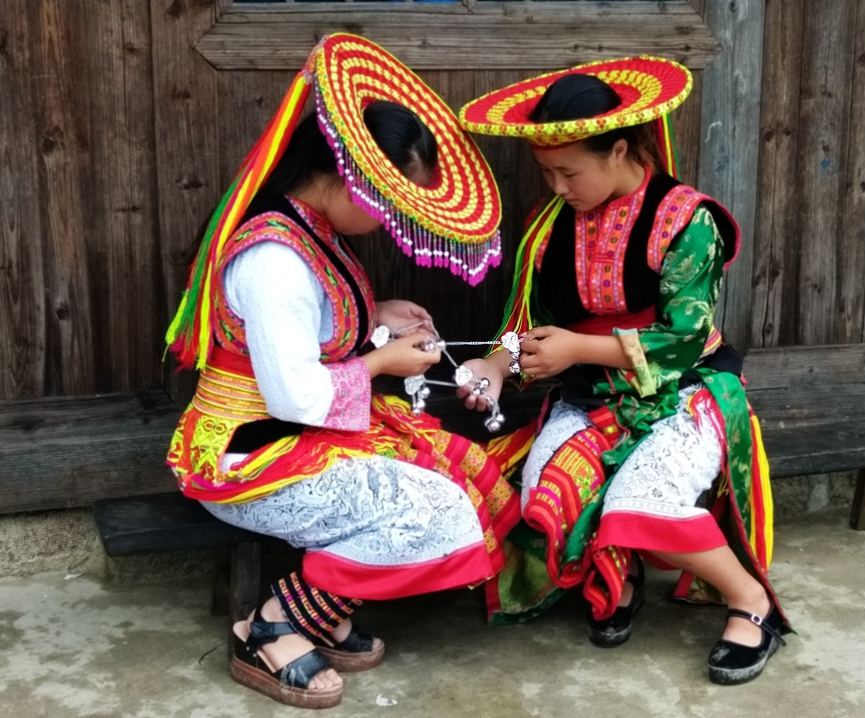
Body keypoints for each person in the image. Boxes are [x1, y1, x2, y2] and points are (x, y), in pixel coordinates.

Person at [165, 34, 516, 709]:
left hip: (290, 435)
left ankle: (315, 613)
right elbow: (295, 392)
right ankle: (273, 624)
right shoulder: (274, 260)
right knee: (443, 516)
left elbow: (310, 328)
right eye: (384, 200)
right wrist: (382, 359)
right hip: (247, 453)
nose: (388, 221)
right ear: (342, 174)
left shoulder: (307, 228)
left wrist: (376, 311)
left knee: (460, 474)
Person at [457, 59, 790, 684]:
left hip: (687, 390)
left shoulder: (689, 221)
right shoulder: (549, 226)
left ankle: (752, 602)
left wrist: (579, 351)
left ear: (617, 150)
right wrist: (497, 365)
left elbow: (684, 341)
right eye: (546, 173)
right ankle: (622, 572)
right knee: (544, 498)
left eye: (569, 172)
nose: (557, 188)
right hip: (592, 396)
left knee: (646, 503)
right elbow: (530, 321)